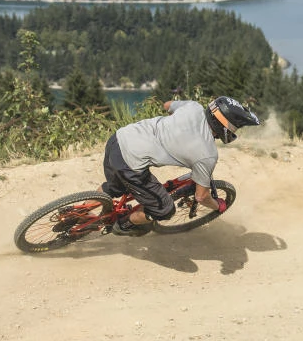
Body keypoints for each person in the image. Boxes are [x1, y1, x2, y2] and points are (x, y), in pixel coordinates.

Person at [102, 96, 261, 236]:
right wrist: (217, 205)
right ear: (226, 127)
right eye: (236, 127)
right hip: (130, 162)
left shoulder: (193, 107)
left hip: (119, 138)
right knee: (164, 210)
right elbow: (201, 197)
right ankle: (123, 224)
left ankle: (92, 212)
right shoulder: (207, 154)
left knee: (114, 188)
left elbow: (167, 105)